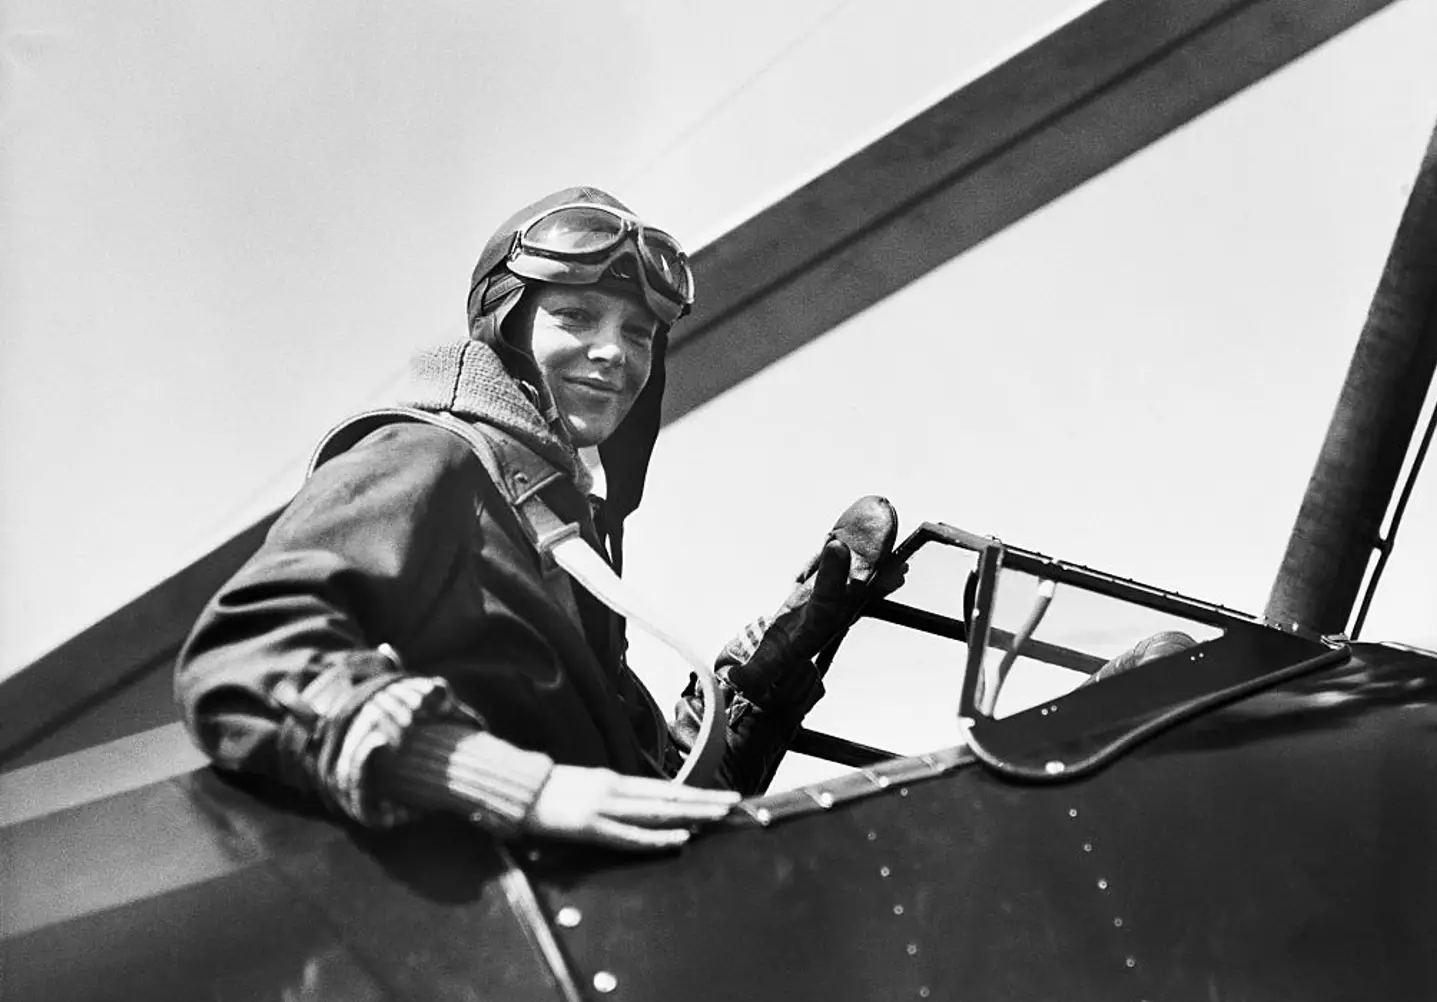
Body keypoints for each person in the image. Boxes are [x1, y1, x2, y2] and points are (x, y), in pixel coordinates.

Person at [175, 187, 900, 851]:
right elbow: (244, 653)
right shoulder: (430, 459)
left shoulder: (557, 535)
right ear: (509, 328)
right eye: (576, 316)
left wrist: (758, 693)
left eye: (640, 333)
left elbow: (646, 800)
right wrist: (519, 788)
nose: (614, 351)